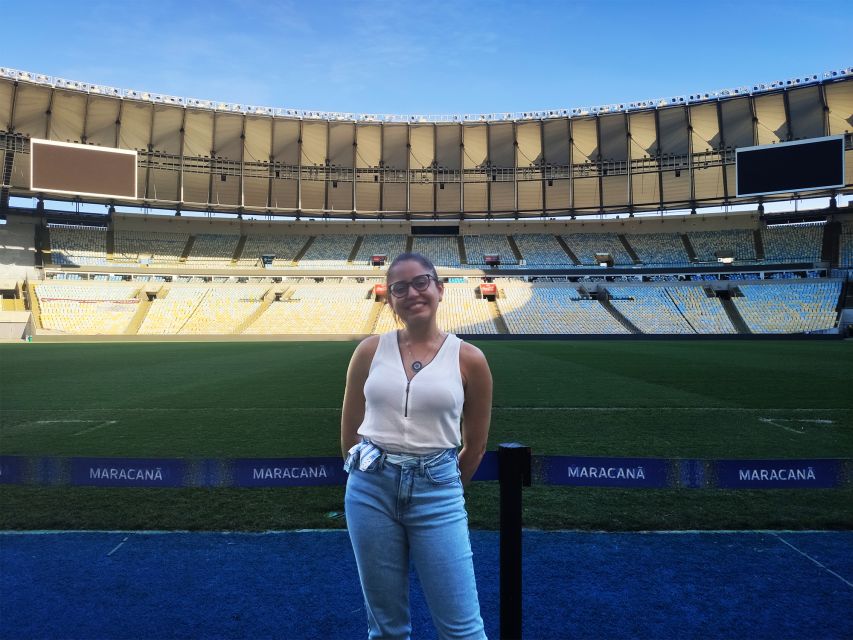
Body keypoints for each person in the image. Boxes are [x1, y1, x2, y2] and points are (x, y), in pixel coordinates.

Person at [341, 252, 492, 640]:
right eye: (400, 287)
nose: (412, 292)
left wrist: (440, 483)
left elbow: (474, 447)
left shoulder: (470, 359)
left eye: (422, 282)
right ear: (390, 299)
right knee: (386, 629)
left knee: (463, 630)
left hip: (437, 493)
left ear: (440, 289)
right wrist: (368, 476)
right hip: (370, 491)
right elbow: (350, 432)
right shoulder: (369, 351)